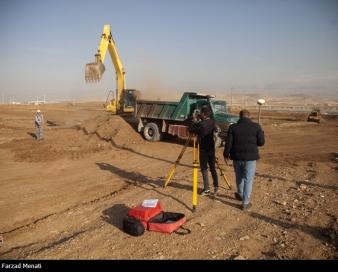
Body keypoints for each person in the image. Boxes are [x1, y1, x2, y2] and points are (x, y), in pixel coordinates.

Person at [223, 109, 265, 210]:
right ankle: (245, 203)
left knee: (239, 176)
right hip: (250, 158)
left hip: (236, 157)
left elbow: (228, 143)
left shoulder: (233, 127)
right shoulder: (256, 126)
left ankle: (240, 194)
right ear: (249, 116)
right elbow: (261, 143)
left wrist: (226, 154)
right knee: (248, 179)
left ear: (240, 116)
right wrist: (260, 133)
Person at [189, 105, 219, 196]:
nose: (200, 114)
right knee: (212, 167)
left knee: (204, 168)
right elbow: (216, 129)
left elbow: (191, 130)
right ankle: (216, 186)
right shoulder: (212, 121)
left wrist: (193, 121)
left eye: (201, 113)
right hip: (211, 148)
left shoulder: (201, 124)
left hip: (203, 149)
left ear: (204, 114)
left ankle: (206, 189)